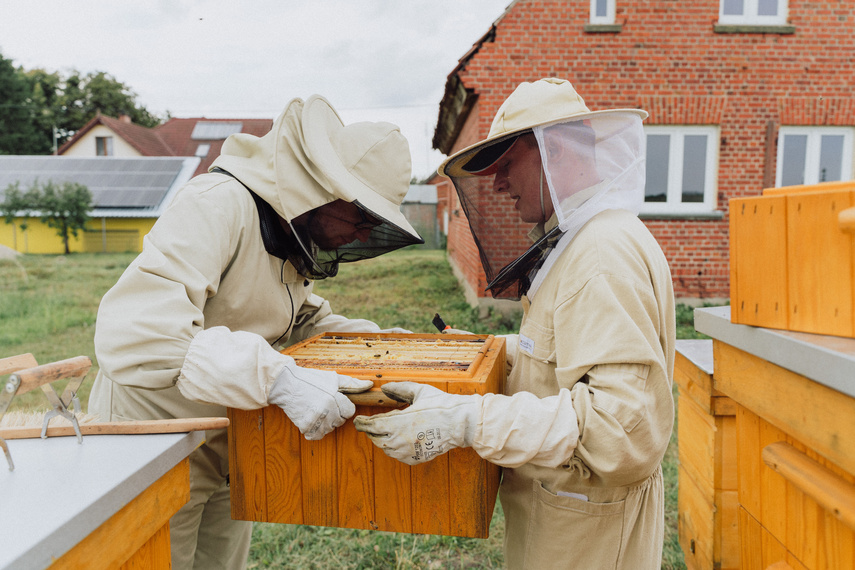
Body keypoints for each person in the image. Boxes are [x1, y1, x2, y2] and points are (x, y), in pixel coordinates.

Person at [89, 95, 423, 570]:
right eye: (362, 217)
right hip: (153, 440)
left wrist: (392, 345)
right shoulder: (216, 204)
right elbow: (140, 336)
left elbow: (305, 319)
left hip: (230, 437)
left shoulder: (291, 237)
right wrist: (280, 380)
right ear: (325, 190)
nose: (362, 235)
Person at [353, 78, 675, 569]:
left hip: (590, 540)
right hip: (565, 520)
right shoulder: (583, 239)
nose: (498, 184)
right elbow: (561, 351)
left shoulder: (602, 254)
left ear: (557, 150)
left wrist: (464, 420)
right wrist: (483, 351)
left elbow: (621, 431)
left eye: (506, 164)